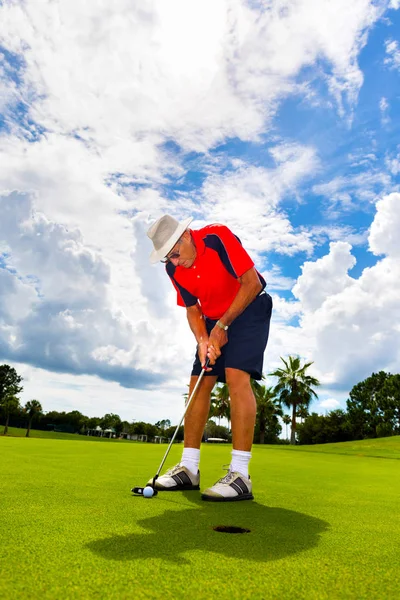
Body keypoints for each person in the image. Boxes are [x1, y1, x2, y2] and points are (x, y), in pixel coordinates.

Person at [146, 214, 272, 501]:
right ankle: (189, 469)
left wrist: (222, 328)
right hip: (213, 320)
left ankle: (240, 475)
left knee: (235, 376)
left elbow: (251, 282)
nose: (174, 262)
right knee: (198, 384)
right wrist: (203, 339)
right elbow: (192, 309)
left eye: (175, 254)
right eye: (168, 258)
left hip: (250, 306)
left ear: (186, 235)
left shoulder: (217, 237)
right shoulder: (173, 269)